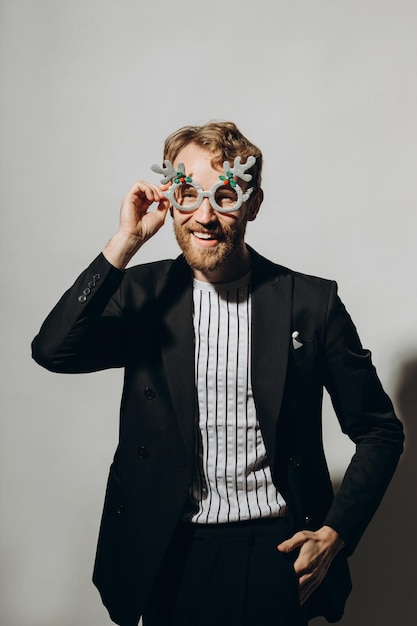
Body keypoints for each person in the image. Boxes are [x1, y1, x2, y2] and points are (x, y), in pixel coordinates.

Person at [32, 121, 404, 626]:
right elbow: (53, 350)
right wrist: (124, 241)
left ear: (252, 204)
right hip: (166, 550)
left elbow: (379, 431)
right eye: (188, 195)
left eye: (225, 196)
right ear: (171, 198)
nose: (204, 216)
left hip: (275, 553)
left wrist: (336, 534)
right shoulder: (143, 293)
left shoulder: (311, 304)